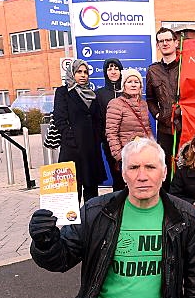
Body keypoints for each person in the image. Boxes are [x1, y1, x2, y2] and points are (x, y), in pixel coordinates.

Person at [28, 137, 195, 298]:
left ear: (163, 172)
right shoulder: (96, 212)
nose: (142, 176)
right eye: (133, 167)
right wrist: (45, 240)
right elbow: (61, 259)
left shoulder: (186, 217)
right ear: (123, 174)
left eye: (150, 167)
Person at [53, 59, 106, 203]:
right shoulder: (63, 92)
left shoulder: (92, 94)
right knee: (72, 193)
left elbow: (98, 120)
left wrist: (97, 139)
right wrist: (72, 140)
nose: (83, 75)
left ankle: (90, 223)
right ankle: (72, 225)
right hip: (72, 150)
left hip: (91, 150)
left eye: (85, 72)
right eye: (79, 72)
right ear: (71, 73)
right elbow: (60, 119)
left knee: (91, 193)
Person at [146, 27, 181, 191]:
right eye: (161, 41)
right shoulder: (153, 70)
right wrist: (158, 115)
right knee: (165, 165)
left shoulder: (185, 65)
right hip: (165, 127)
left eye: (168, 40)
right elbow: (150, 99)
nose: (165, 43)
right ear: (158, 45)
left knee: (185, 165)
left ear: (176, 42)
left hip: (185, 125)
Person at [106, 68, 153, 164]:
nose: (133, 84)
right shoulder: (116, 103)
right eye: (129, 81)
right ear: (124, 85)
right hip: (127, 154)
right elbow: (111, 133)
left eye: (136, 82)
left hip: (144, 153)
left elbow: (147, 129)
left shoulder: (143, 104)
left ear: (140, 86)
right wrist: (119, 156)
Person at [96, 58, 126, 191]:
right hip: (109, 143)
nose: (113, 71)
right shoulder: (99, 94)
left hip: (128, 142)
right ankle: (118, 206)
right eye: (109, 68)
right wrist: (104, 138)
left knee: (130, 175)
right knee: (117, 177)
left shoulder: (127, 91)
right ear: (105, 72)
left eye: (116, 68)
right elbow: (98, 119)